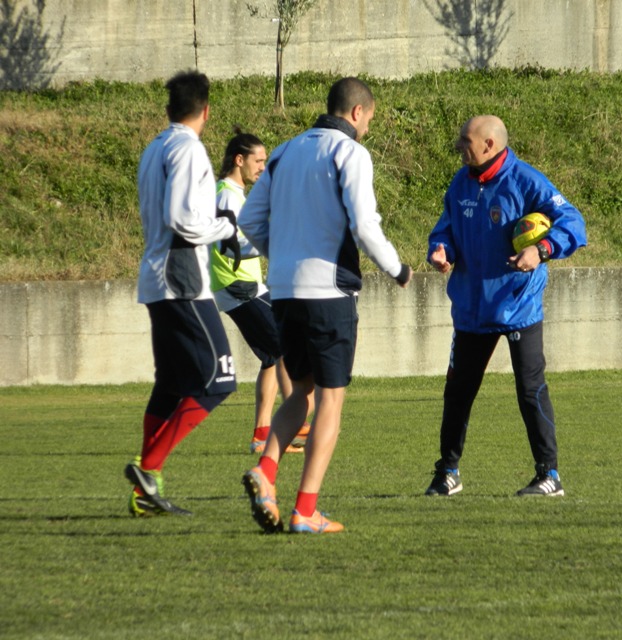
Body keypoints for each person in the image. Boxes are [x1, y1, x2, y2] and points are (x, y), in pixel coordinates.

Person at [239, 77, 412, 534]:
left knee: (301, 394)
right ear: (357, 113)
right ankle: (305, 511)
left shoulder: (284, 150)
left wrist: (285, 257)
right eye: (369, 119)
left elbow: (249, 219)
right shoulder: (350, 152)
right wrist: (398, 270)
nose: (368, 128)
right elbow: (365, 225)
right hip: (330, 293)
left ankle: (266, 470)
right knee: (331, 400)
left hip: (283, 290)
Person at [425, 115, 587, 498]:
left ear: (489, 145)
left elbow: (573, 222)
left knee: (530, 391)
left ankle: (549, 476)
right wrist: (440, 247)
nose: (459, 147)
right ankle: (448, 472)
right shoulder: (461, 181)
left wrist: (541, 249)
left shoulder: (528, 181)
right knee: (458, 394)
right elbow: (445, 224)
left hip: (518, 306)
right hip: (471, 308)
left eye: (465, 142)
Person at [127, 70, 240, 517]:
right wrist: (224, 227)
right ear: (206, 110)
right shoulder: (189, 149)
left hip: (156, 277)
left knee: (171, 385)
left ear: (169, 109)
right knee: (221, 378)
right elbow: (183, 218)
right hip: (182, 280)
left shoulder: (154, 147)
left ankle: (144, 494)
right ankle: (148, 467)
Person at [211, 129, 314, 455]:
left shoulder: (234, 193)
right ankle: (295, 425)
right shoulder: (228, 194)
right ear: (239, 160)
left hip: (248, 285)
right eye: (258, 160)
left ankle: (262, 434)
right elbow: (228, 246)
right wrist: (276, 242)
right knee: (284, 348)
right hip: (238, 286)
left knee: (272, 358)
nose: (262, 167)